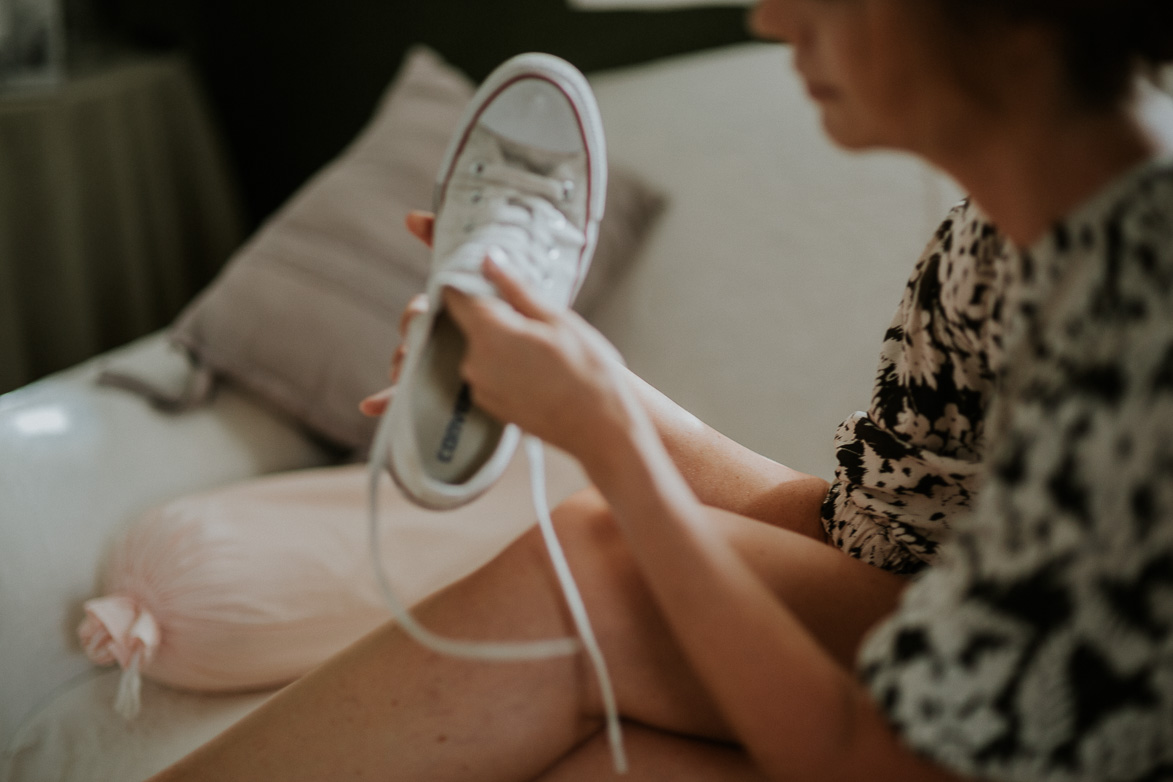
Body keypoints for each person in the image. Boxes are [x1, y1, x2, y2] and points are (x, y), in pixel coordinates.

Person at [148, 0, 1173, 780]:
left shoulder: (1141, 308)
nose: (770, 18)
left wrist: (606, 436)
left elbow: (890, 760)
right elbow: (874, 538)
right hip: (957, 679)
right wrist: (578, 379)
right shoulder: (998, 238)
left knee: (599, 565)